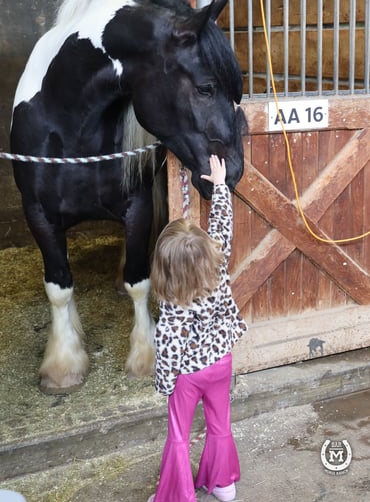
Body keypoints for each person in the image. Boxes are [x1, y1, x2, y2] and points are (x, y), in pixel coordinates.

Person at [147, 155, 248, 502]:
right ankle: (223, 485)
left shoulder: (173, 302)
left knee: (178, 434)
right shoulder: (216, 263)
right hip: (221, 362)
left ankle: (178, 495)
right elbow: (223, 224)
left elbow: (168, 347)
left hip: (188, 374)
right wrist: (220, 186)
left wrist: (165, 383)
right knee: (219, 422)